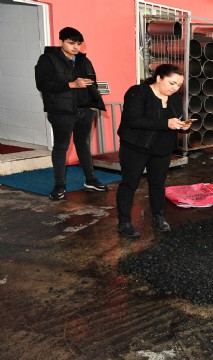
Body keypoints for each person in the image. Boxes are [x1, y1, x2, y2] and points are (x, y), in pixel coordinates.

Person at [115, 64, 191, 238]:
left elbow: (174, 120)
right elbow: (133, 120)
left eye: (179, 85)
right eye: (172, 83)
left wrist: (183, 127)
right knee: (129, 184)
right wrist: (166, 123)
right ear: (159, 78)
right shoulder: (138, 92)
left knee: (158, 184)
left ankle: (158, 216)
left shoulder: (174, 98)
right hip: (135, 147)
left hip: (162, 148)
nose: (175, 88)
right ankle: (124, 222)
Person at [34, 27, 108, 200]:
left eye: (79, 44)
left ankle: (90, 179)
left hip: (85, 110)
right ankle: (59, 185)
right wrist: (71, 84)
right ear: (61, 42)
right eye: (71, 43)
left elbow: (92, 82)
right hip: (61, 111)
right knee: (61, 147)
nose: (76, 47)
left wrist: (94, 103)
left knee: (83, 144)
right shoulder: (48, 59)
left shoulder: (83, 60)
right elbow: (42, 84)